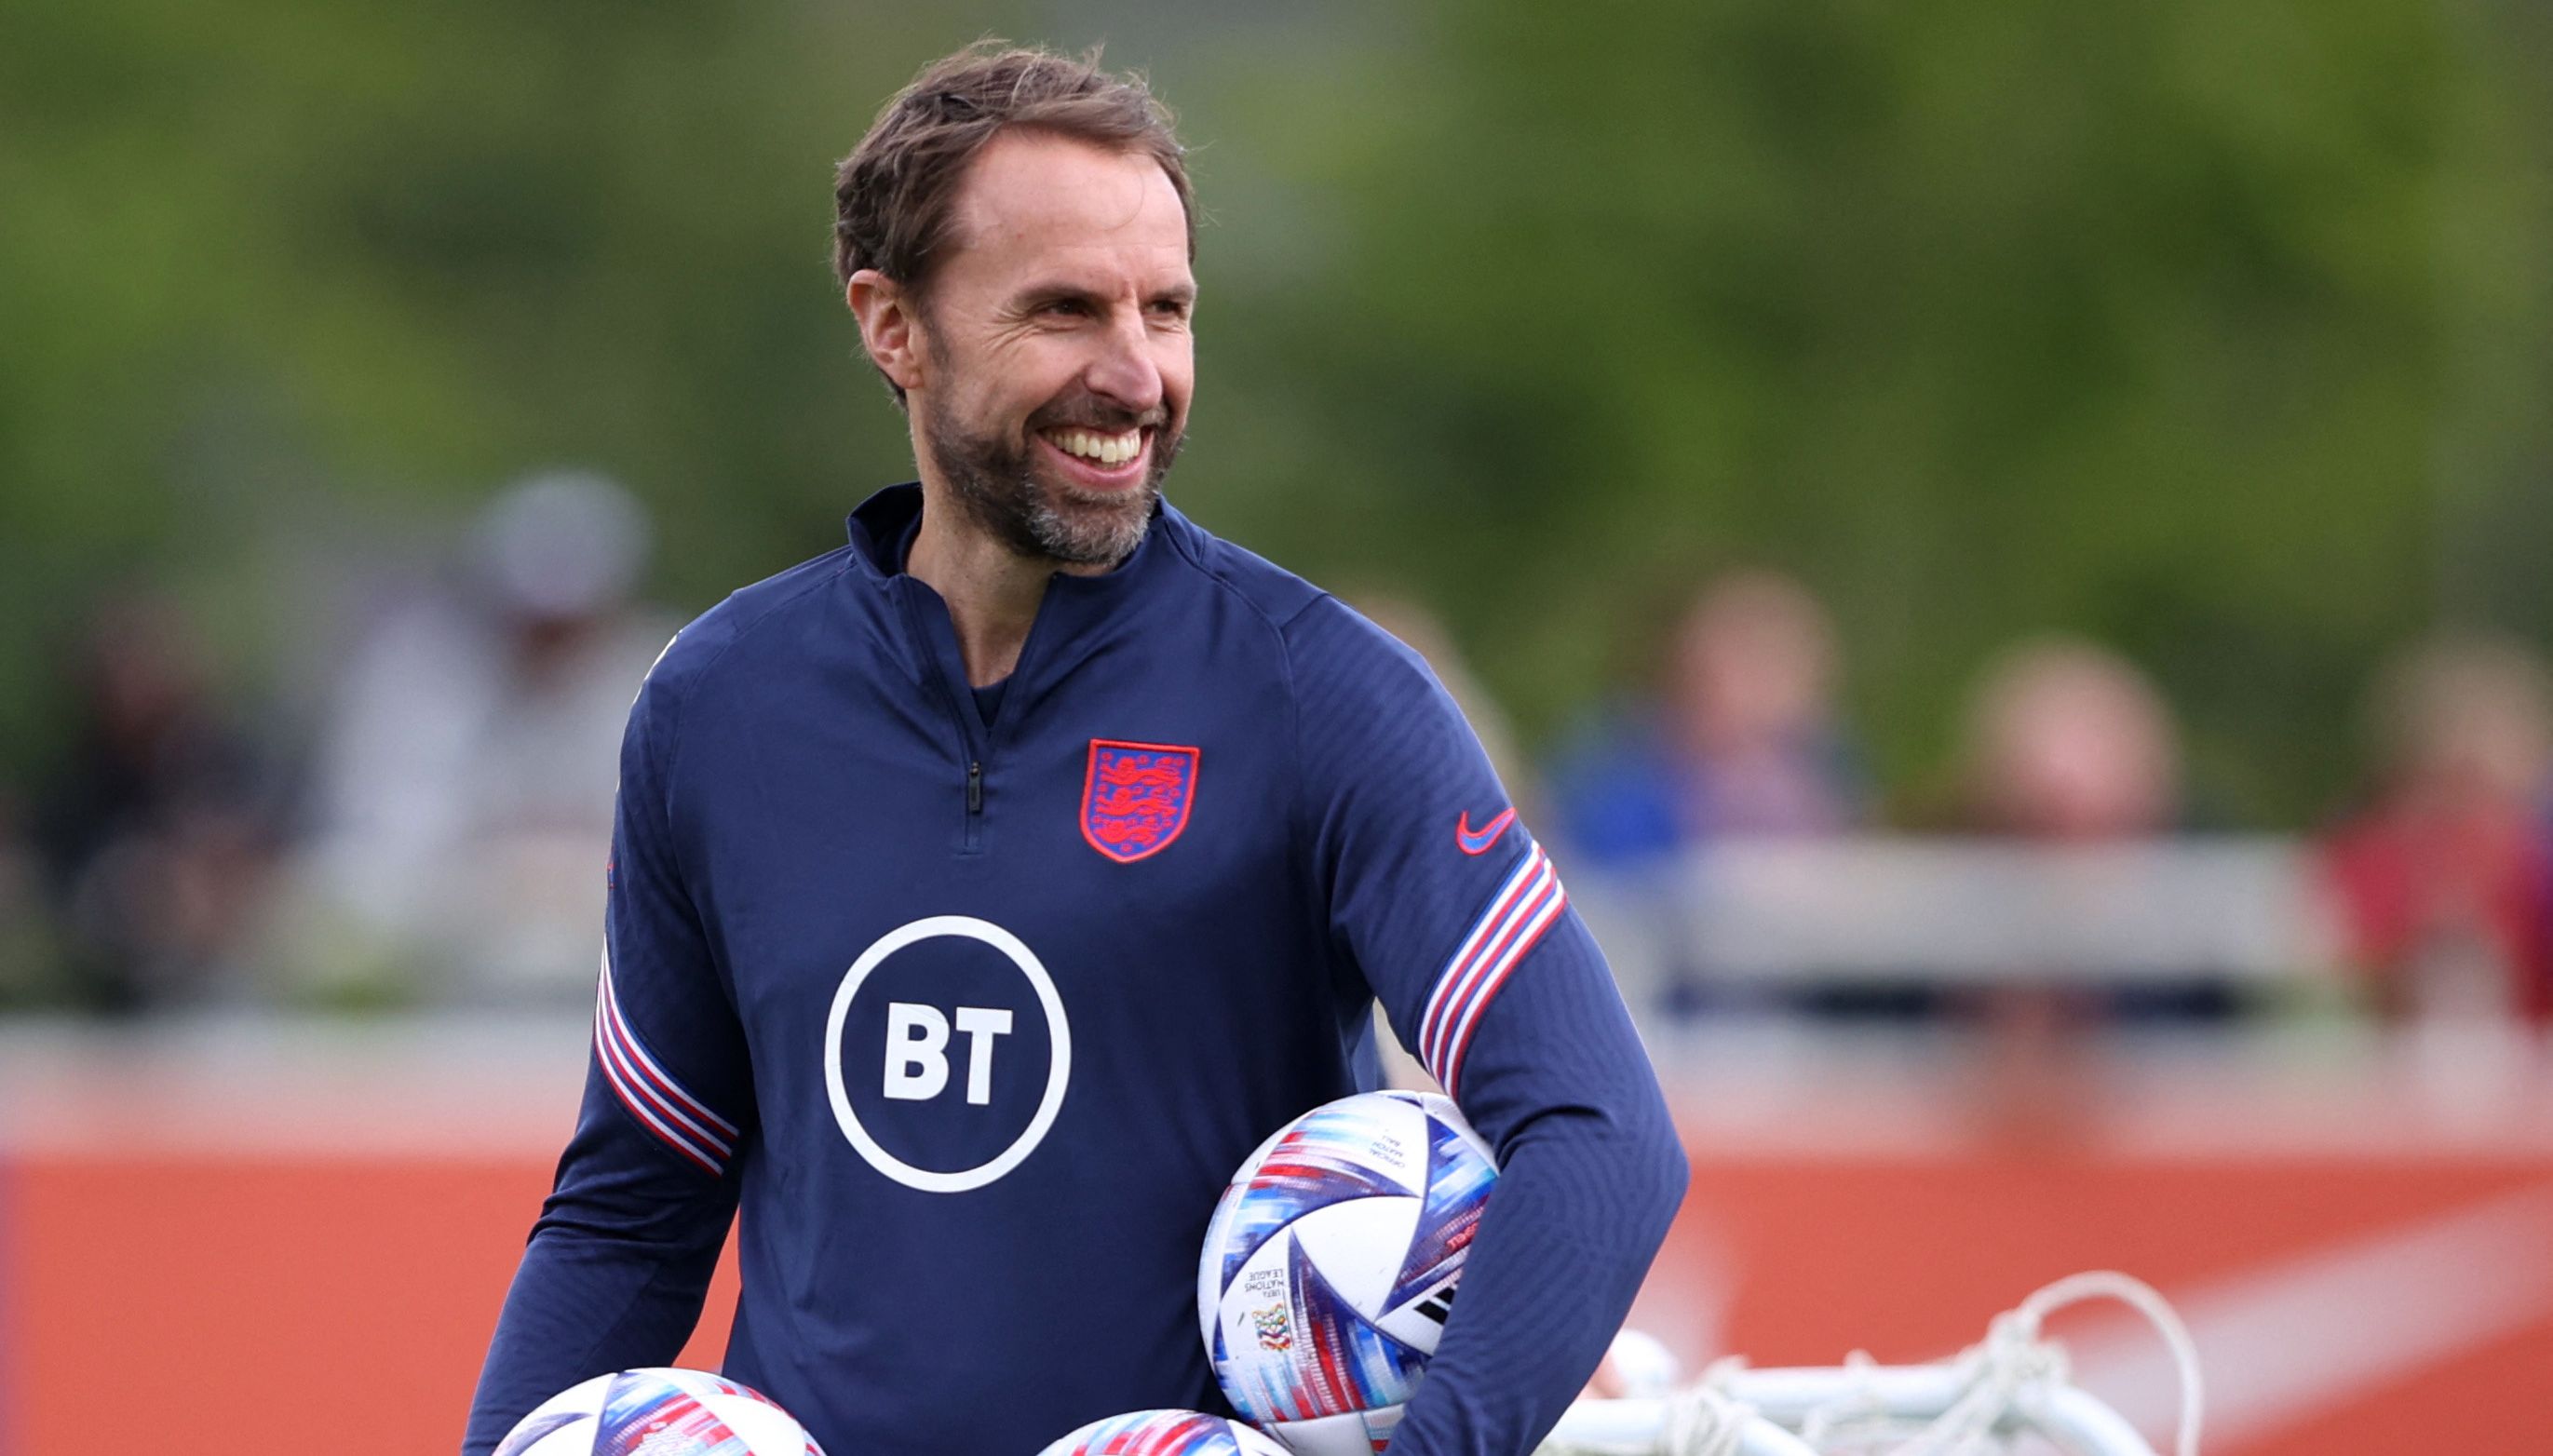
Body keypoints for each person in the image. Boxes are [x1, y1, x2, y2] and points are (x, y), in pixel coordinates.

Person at [464, 44, 1687, 1456]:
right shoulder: (720, 708)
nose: (1134, 374)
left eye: (1164, 311)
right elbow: (635, 1205)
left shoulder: (1324, 697)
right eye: (1063, 311)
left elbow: (1600, 1132)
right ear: (892, 325)